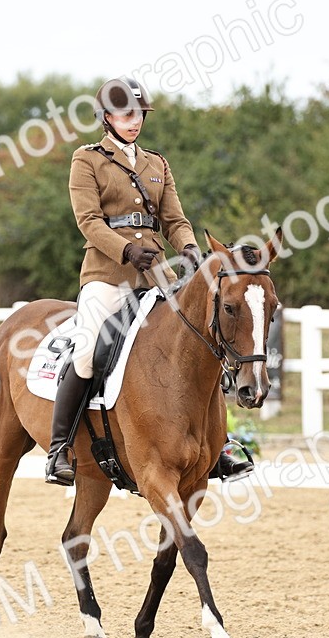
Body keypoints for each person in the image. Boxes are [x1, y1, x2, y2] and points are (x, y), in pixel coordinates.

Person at [44, 77, 253, 486]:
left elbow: (174, 219)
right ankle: (59, 448)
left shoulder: (156, 163)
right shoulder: (86, 160)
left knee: (199, 344)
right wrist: (124, 251)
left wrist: (191, 248)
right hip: (107, 276)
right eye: (124, 115)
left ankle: (220, 445)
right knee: (87, 350)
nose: (133, 121)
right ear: (106, 117)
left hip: (158, 275)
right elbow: (88, 221)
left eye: (138, 114)